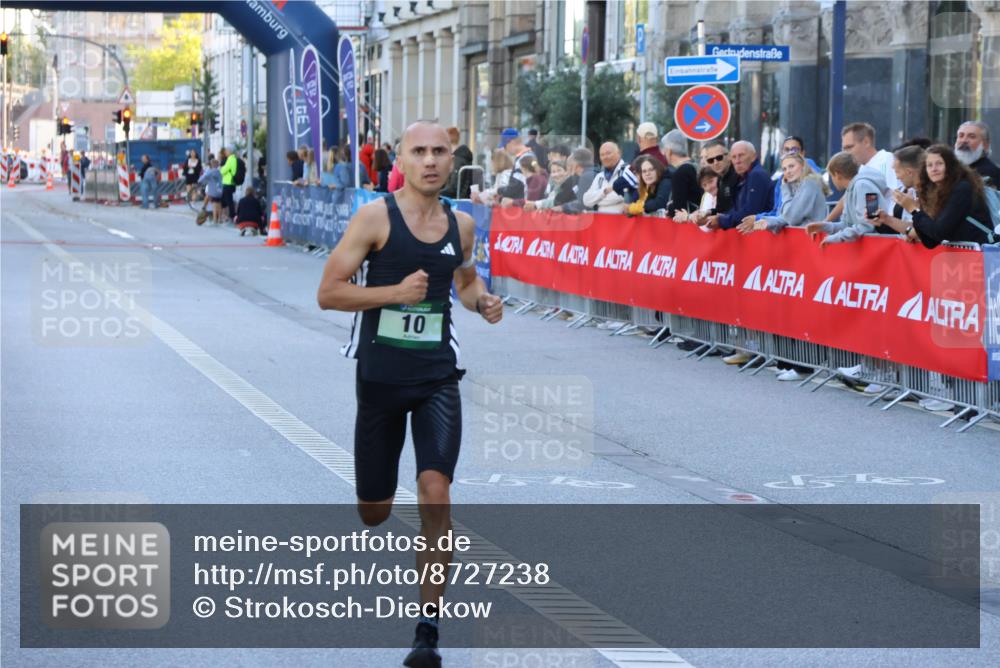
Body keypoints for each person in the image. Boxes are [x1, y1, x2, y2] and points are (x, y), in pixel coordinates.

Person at [316, 120, 502, 668]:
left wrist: (483, 301)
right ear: (401, 157)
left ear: (452, 158)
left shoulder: (462, 225)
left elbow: (466, 282)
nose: (430, 161)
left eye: (440, 152)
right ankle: (380, 502)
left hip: (436, 378)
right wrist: (394, 293)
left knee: (435, 492)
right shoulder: (376, 217)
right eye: (419, 151)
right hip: (378, 381)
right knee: (374, 511)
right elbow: (328, 292)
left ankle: (427, 631)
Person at [887, 144, 992, 248]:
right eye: (929, 165)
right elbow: (931, 241)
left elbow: (939, 232)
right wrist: (915, 230)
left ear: (950, 166)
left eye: (939, 164)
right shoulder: (933, 192)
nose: (934, 169)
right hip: (960, 257)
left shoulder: (962, 188)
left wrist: (914, 209)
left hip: (980, 254)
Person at [805, 151, 891, 245]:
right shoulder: (853, 189)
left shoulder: (864, 187)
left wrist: (836, 238)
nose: (832, 180)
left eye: (831, 176)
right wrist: (824, 226)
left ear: (837, 175)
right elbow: (847, 224)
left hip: (879, 247)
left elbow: (869, 225)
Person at [825, 122, 900, 223]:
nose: (845, 153)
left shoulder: (886, 160)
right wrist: (826, 222)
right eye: (843, 148)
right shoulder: (860, 168)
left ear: (866, 142)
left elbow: (892, 193)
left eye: (849, 147)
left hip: (887, 228)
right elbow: (847, 197)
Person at [738, 152, 829, 234]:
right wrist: (767, 221)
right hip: (804, 239)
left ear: (802, 166)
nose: (788, 172)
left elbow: (792, 218)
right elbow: (785, 216)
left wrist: (785, 189)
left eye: (791, 166)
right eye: (784, 169)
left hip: (810, 241)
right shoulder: (796, 185)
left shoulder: (809, 183)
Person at [701, 141, 773, 229]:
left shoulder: (756, 175)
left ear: (753, 156)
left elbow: (750, 211)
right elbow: (735, 209)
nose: (737, 161)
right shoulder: (743, 176)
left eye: (741, 155)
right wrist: (712, 215)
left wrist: (721, 220)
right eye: (734, 157)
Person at [870, 145, 925, 234]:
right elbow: (913, 229)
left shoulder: (933, 194)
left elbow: (926, 232)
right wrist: (885, 219)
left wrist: (912, 208)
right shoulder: (910, 191)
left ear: (909, 172)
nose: (897, 177)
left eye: (897, 172)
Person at [612, 122, 667, 201]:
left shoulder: (640, 161)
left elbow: (618, 185)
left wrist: (633, 197)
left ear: (639, 139)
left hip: (641, 208)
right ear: (656, 138)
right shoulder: (664, 158)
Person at [660, 129, 702, 216]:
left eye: (664, 150)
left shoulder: (680, 173)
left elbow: (678, 208)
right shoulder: (696, 166)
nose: (663, 154)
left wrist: (669, 209)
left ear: (669, 151)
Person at [582, 142, 627, 213]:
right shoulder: (600, 176)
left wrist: (597, 200)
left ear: (618, 153)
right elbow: (586, 200)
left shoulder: (628, 171)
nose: (605, 157)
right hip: (601, 221)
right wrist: (604, 191)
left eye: (608, 153)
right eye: (602, 155)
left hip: (621, 222)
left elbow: (622, 195)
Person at [495, 128, 537, 203]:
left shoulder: (522, 160)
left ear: (511, 142)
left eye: (505, 146)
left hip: (523, 206)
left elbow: (515, 187)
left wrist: (498, 190)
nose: (505, 150)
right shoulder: (530, 154)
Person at [699, 140, 740, 213]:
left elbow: (740, 211)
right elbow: (721, 209)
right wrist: (708, 213)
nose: (715, 163)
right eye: (710, 160)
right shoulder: (720, 180)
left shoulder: (739, 175)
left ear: (729, 156)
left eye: (719, 158)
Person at [954, 121, 1000, 186]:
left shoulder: (991, 173)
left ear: (985, 145)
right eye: (961, 136)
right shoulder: (949, 167)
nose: (964, 140)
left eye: (972, 137)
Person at [557, 147, 598, 214]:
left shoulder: (586, 176)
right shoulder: (593, 172)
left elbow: (583, 203)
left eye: (570, 164)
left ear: (575, 163)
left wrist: (563, 207)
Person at [440, 127, 474, 199]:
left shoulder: (459, 160)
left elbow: (453, 188)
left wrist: (435, 193)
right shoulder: (460, 157)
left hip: (456, 201)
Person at [197, 158, 223, 224]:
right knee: (219, 204)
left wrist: (199, 181)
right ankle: (220, 218)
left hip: (213, 191)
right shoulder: (219, 172)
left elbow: (203, 178)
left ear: (211, 165)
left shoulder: (210, 172)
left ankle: (214, 220)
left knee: (214, 205)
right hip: (220, 190)